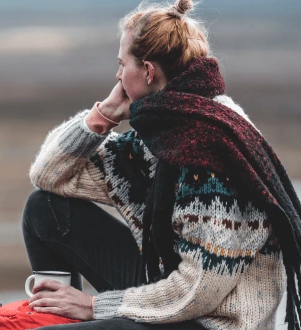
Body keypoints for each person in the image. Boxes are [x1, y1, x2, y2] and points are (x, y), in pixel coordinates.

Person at [21, 0, 301, 329]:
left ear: (149, 71)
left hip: (211, 320)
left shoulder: (208, 147)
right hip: (168, 283)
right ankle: (56, 311)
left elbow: (200, 292)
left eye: (122, 64)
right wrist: (102, 116)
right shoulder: (163, 132)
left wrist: (95, 307)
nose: (118, 75)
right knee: (44, 210)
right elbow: (49, 176)